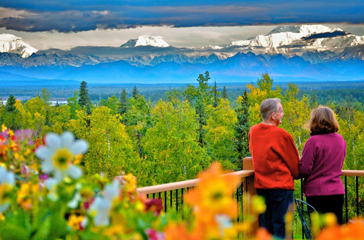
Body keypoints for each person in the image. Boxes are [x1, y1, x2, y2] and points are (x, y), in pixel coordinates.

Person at [249, 98, 300, 239]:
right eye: (281, 111)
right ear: (273, 115)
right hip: (281, 188)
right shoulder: (282, 135)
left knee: (265, 228)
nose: (283, 114)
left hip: (262, 187)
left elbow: (255, 154)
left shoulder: (253, 132)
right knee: (282, 229)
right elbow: (295, 167)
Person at [300, 106, 346, 224]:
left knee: (319, 232)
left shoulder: (313, 141)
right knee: (335, 231)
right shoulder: (340, 140)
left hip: (317, 193)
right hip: (337, 192)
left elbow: (305, 169)